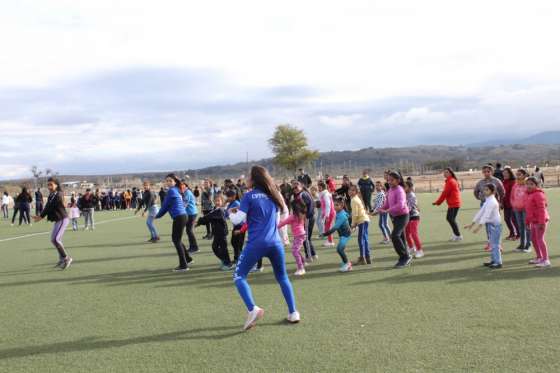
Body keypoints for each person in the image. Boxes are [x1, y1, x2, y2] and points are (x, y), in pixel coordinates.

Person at [229, 165, 299, 330]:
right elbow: (281, 214)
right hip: (275, 243)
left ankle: (253, 309)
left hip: (256, 244)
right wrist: (284, 237)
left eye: (248, 176)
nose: (246, 179)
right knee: (282, 277)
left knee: (239, 277)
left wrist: (229, 212)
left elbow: (237, 220)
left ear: (254, 179)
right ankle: (293, 312)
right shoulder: (274, 195)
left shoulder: (249, 196)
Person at [154, 174, 193, 272]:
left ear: (174, 182)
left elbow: (165, 206)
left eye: (170, 181)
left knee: (176, 240)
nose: (168, 182)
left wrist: (157, 216)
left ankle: (184, 265)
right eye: (166, 181)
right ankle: (187, 259)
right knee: (177, 239)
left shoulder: (172, 191)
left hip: (179, 217)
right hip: (183, 216)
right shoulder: (176, 190)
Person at [32, 177, 73, 269]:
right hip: (58, 220)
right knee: (54, 240)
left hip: (62, 219)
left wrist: (40, 217)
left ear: (56, 185)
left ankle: (66, 258)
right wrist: (40, 216)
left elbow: (50, 207)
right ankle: (62, 259)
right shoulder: (51, 195)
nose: (49, 186)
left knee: (55, 239)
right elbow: (47, 207)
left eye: (51, 184)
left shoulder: (59, 194)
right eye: (48, 185)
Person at [465, 184, 502, 269]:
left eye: (487, 190)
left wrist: (479, 227)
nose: (484, 191)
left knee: (495, 244)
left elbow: (486, 215)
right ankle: (494, 260)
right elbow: (481, 212)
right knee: (492, 244)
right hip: (491, 225)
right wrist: (472, 223)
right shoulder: (488, 200)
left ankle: (498, 262)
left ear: (493, 191)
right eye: (484, 190)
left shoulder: (492, 202)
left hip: (495, 225)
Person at [379, 171, 411, 268]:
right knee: (401, 237)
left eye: (392, 180)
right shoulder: (390, 190)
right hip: (395, 217)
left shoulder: (400, 190)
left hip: (403, 216)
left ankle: (404, 257)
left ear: (398, 180)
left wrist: (388, 210)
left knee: (395, 236)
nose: (389, 182)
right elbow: (387, 203)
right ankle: (406, 257)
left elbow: (401, 205)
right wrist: (380, 209)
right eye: (388, 180)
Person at [197, 194, 233, 271]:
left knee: (224, 248)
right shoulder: (215, 209)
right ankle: (224, 260)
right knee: (214, 247)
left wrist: (199, 221)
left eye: (218, 201)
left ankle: (228, 263)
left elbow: (209, 217)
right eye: (215, 201)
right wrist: (199, 222)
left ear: (222, 202)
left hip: (221, 233)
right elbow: (208, 217)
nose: (217, 202)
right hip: (216, 233)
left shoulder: (220, 210)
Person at [321, 198, 353, 272]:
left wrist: (324, 234)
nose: (335, 207)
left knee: (339, 249)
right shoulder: (340, 212)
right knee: (341, 249)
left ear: (341, 206)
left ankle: (347, 264)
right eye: (334, 205)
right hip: (343, 235)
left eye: (337, 205)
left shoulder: (341, 215)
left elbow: (335, 228)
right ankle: (346, 262)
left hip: (345, 235)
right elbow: (349, 216)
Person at [525, 177, 551, 267]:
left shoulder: (538, 194)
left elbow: (542, 209)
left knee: (540, 239)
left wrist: (542, 222)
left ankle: (546, 260)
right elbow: (528, 210)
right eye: (527, 184)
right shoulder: (528, 194)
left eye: (531, 184)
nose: (529, 186)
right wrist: (527, 222)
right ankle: (539, 257)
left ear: (536, 185)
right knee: (533, 239)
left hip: (540, 221)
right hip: (533, 222)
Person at [278, 200, 307, 276]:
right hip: (301, 235)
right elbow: (286, 221)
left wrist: (275, 226)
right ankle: (303, 262)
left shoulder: (293, 216)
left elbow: (284, 223)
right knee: (296, 250)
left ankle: (301, 268)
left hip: (299, 235)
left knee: (295, 251)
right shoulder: (299, 215)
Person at [432, 167, 462, 241]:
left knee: (450, 219)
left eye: (446, 172)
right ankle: (456, 234)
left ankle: (458, 235)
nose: (445, 173)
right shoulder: (450, 181)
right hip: (454, 203)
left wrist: (438, 202)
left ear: (451, 173)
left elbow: (445, 193)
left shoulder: (451, 181)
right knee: (451, 219)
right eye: (444, 172)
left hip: (454, 203)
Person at [291, 180, 317, 262]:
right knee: (307, 238)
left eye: (296, 187)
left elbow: (311, 205)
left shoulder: (303, 194)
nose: (295, 189)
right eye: (293, 188)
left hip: (308, 218)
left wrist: (306, 216)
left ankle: (309, 256)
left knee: (305, 238)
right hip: (308, 218)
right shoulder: (300, 194)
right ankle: (313, 254)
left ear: (301, 186)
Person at [348, 185, 371, 265]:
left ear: (356, 192)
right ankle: (367, 258)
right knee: (365, 238)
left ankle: (363, 258)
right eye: (350, 190)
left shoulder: (353, 200)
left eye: (353, 190)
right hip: (365, 220)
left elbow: (355, 214)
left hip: (362, 221)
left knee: (361, 239)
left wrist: (353, 224)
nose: (350, 191)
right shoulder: (357, 198)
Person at [511, 169, 531, 253]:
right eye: (517, 174)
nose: (517, 176)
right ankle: (522, 244)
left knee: (527, 227)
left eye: (519, 174)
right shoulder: (515, 185)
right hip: (517, 209)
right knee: (520, 227)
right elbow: (512, 197)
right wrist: (514, 204)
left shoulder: (528, 185)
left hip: (526, 210)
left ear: (525, 175)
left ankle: (528, 245)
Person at [404, 181, 423, 258]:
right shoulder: (405, 194)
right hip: (408, 217)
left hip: (414, 216)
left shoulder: (411, 195)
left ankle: (420, 251)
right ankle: (411, 248)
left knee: (414, 234)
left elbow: (409, 207)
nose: (404, 188)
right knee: (407, 234)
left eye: (405, 186)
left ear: (409, 187)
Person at [225, 190, 244, 262]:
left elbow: (227, 214)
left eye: (228, 197)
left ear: (234, 196)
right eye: (227, 196)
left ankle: (239, 259)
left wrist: (226, 205)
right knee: (234, 243)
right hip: (236, 225)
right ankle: (237, 258)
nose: (227, 198)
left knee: (237, 243)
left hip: (240, 226)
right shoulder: (231, 203)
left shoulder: (236, 203)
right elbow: (226, 214)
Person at [180, 182, 199, 253]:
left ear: (185, 185)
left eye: (182, 185)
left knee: (189, 230)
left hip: (191, 213)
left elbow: (184, 204)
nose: (181, 186)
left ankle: (195, 247)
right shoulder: (185, 192)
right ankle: (192, 246)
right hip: (190, 213)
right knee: (189, 230)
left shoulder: (187, 192)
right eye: (180, 185)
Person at [502, 167, 519, 241]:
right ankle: (512, 233)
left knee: (514, 219)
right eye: (504, 173)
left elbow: (514, 193)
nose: (505, 174)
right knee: (506, 219)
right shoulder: (504, 182)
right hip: (505, 204)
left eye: (506, 173)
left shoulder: (513, 182)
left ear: (510, 173)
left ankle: (519, 234)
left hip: (512, 204)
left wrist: (514, 202)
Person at [318, 181, 335, 247]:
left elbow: (328, 205)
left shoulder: (325, 195)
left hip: (330, 213)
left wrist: (327, 215)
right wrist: (323, 214)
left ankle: (331, 241)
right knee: (327, 227)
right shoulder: (323, 194)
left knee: (328, 227)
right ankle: (329, 240)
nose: (318, 188)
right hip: (328, 213)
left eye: (319, 187)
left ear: (322, 187)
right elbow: (324, 206)